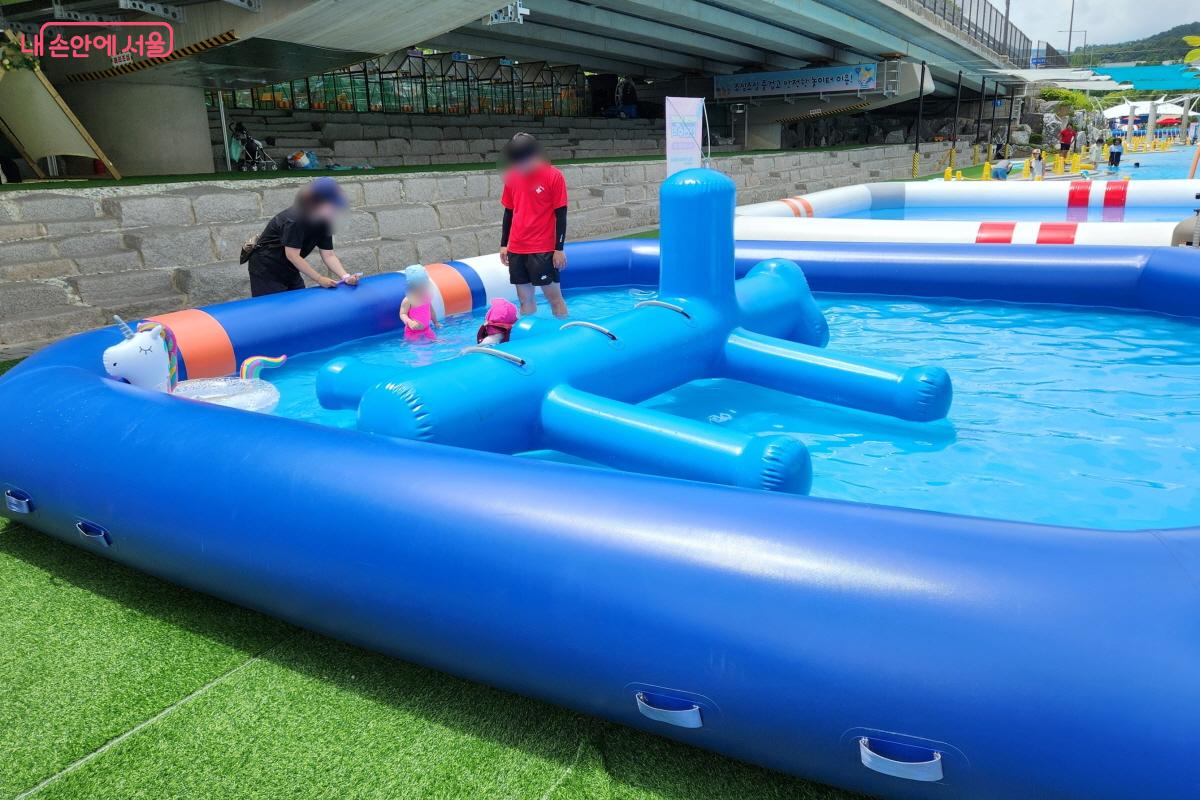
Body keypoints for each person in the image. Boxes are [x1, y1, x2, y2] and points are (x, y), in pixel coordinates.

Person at [246, 176, 359, 296]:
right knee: (274, 304)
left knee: (299, 298)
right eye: (333, 206)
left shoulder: (324, 222)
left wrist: (345, 276)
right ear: (317, 202)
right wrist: (319, 278)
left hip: (290, 267)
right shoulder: (295, 220)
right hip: (266, 267)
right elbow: (293, 256)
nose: (335, 211)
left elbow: (329, 255)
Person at [498, 132, 569, 319]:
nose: (519, 166)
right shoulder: (512, 176)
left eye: (522, 161)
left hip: (542, 248)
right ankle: (530, 333)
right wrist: (504, 244)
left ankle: (562, 332)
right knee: (524, 300)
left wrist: (559, 249)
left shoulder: (553, 176)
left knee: (554, 299)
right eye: (516, 161)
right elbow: (509, 211)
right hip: (517, 247)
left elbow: (561, 214)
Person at [400, 264, 438, 342]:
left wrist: (435, 322)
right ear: (412, 286)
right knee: (418, 347)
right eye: (420, 286)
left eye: (425, 286)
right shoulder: (408, 300)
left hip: (427, 330)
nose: (424, 289)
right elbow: (402, 314)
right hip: (412, 332)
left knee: (435, 343)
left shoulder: (426, 296)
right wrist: (409, 322)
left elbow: (430, 309)